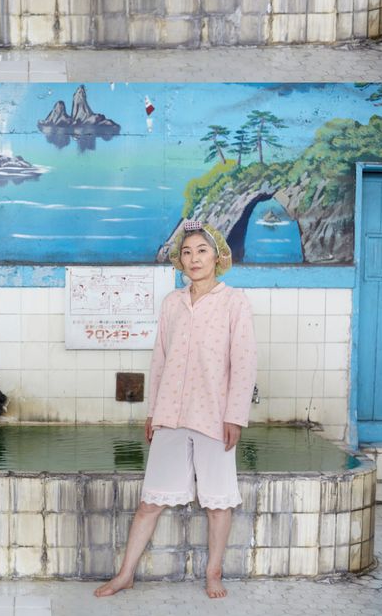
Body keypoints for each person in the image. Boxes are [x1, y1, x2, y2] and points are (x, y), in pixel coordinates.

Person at [94, 219, 257, 601]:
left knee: (217, 502)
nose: (194, 258)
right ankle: (125, 574)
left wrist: (235, 415)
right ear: (179, 262)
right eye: (186, 252)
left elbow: (244, 361)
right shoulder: (172, 303)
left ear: (217, 256)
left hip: (214, 415)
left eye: (202, 250)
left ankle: (213, 573)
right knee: (150, 501)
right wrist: (154, 412)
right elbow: (160, 359)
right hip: (171, 414)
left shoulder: (234, 302)